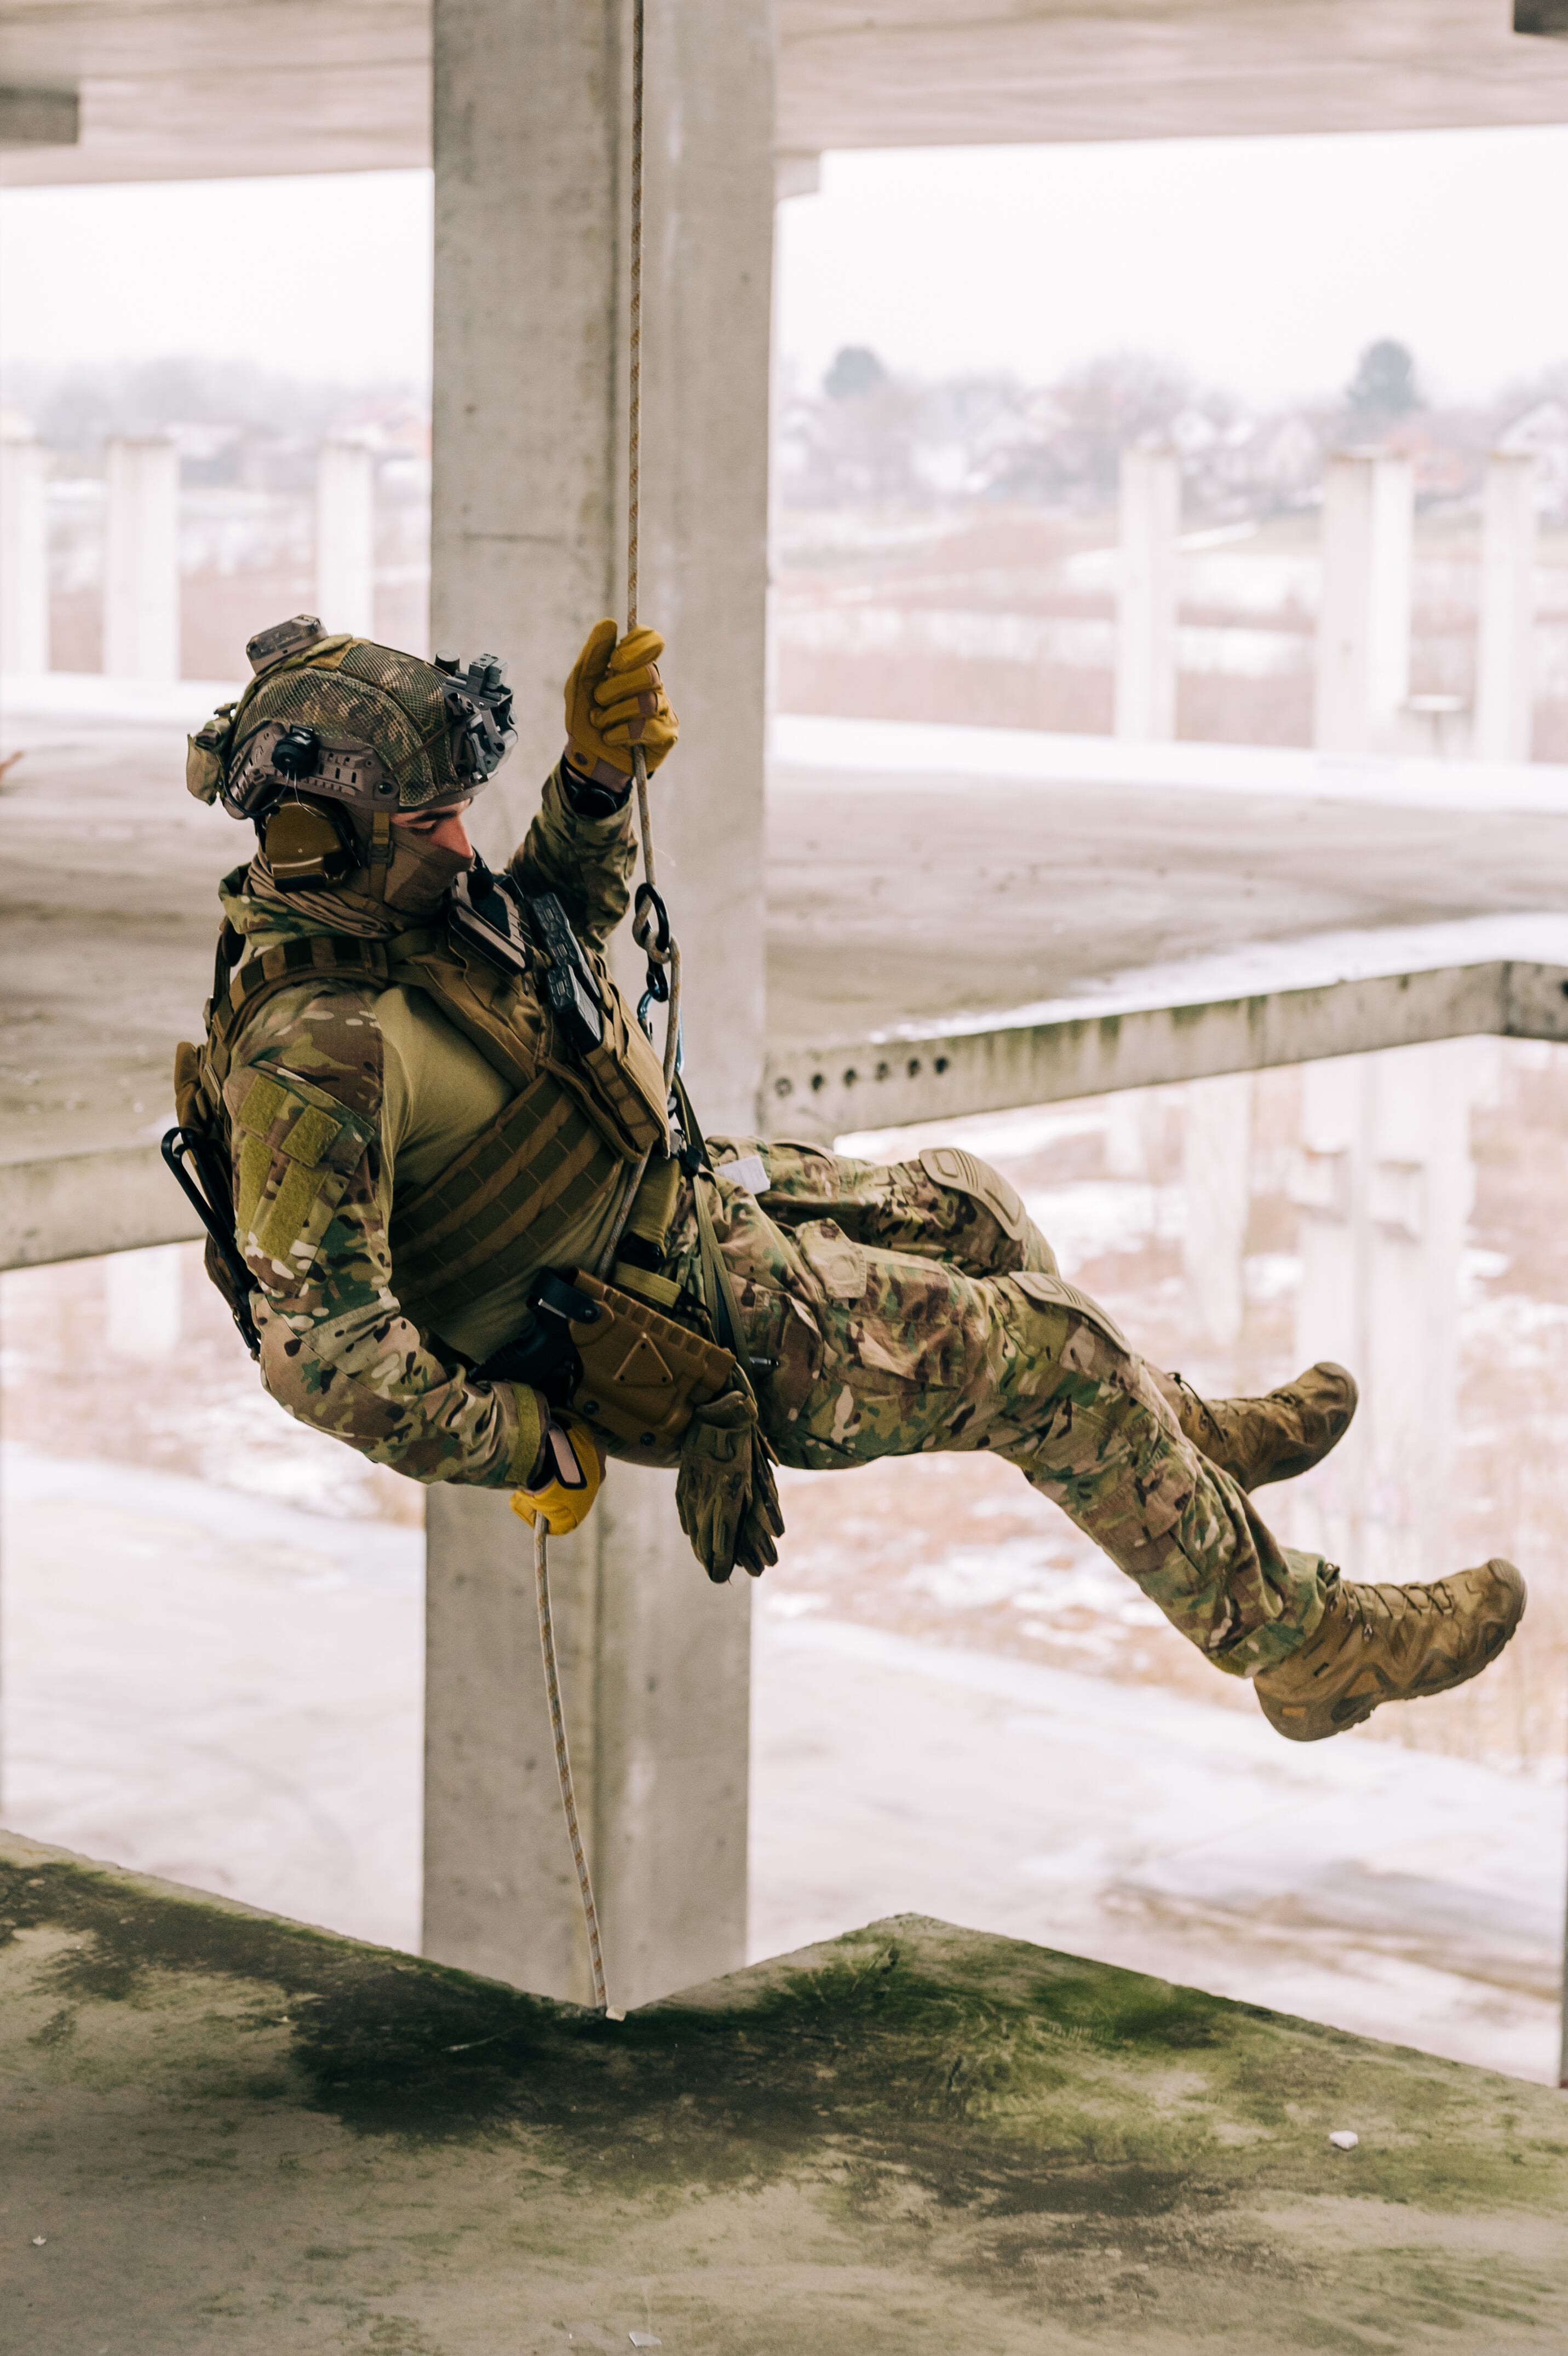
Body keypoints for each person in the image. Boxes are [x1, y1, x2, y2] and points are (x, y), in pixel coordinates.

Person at [175, 615, 1525, 1749]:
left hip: (679, 1207)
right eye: (431, 824)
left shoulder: (404, 912)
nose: (463, 849)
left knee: (968, 1203)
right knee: (1041, 1360)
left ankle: (1171, 1443)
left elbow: (554, 925)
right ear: (314, 835)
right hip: (664, 1327)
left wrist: (590, 787)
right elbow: (325, 1357)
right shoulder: (317, 1058)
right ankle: (1299, 1643)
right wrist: (528, 1441)